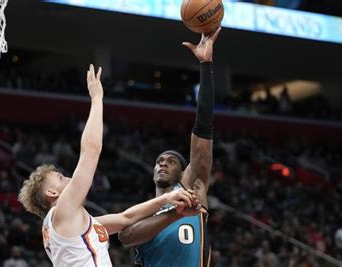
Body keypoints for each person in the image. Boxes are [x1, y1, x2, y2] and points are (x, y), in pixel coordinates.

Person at [18, 64, 198, 267]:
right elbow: (91, 151)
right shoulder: (62, 210)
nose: (68, 177)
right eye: (60, 178)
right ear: (52, 192)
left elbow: (126, 218)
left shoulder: (73, 222)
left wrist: (168, 199)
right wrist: (97, 98)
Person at [118, 27, 221, 267]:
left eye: (171, 161)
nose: (162, 163)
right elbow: (125, 236)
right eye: (159, 161)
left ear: (183, 171)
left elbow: (204, 132)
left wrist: (206, 66)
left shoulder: (192, 188)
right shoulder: (143, 211)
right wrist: (173, 212)